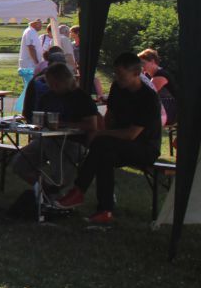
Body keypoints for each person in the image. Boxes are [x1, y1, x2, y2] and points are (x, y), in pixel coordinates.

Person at [56, 52, 162, 225]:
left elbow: (131, 134)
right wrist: (103, 132)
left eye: (121, 75)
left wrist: (101, 134)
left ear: (136, 73)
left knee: (102, 145)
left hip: (145, 148)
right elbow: (110, 116)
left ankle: (79, 191)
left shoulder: (148, 98)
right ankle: (104, 210)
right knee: (104, 154)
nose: (117, 78)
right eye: (116, 74)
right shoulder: (117, 88)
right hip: (116, 145)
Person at [9, 64, 97, 189]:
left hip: (73, 143)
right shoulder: (47, 97)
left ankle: (56, 191)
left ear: (66, 80)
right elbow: (37, 117)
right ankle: (46, 189)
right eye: (50, 84)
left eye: (56, 84)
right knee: (19, 163)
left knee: (59, 173)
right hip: (46, 139)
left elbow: (92, 125)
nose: (52, 87)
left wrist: (63, 124)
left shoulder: (82, 98)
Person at [138, 48, 177, 125]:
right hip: (165, 107)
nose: (141, 66)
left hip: (171, 109)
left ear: (152, 61)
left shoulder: (160, 75)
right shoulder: (148, 76)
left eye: (143, 63)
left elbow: (146, 94)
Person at [17, 17, 45, 89]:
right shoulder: (30, 32)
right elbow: (31, 48)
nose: (41, 25)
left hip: (31, 65)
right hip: (30, 65)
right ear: (35, 23)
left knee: (31, 88)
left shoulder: (33, 32)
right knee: (30, 88)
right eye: (40, 23)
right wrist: (37, 63)